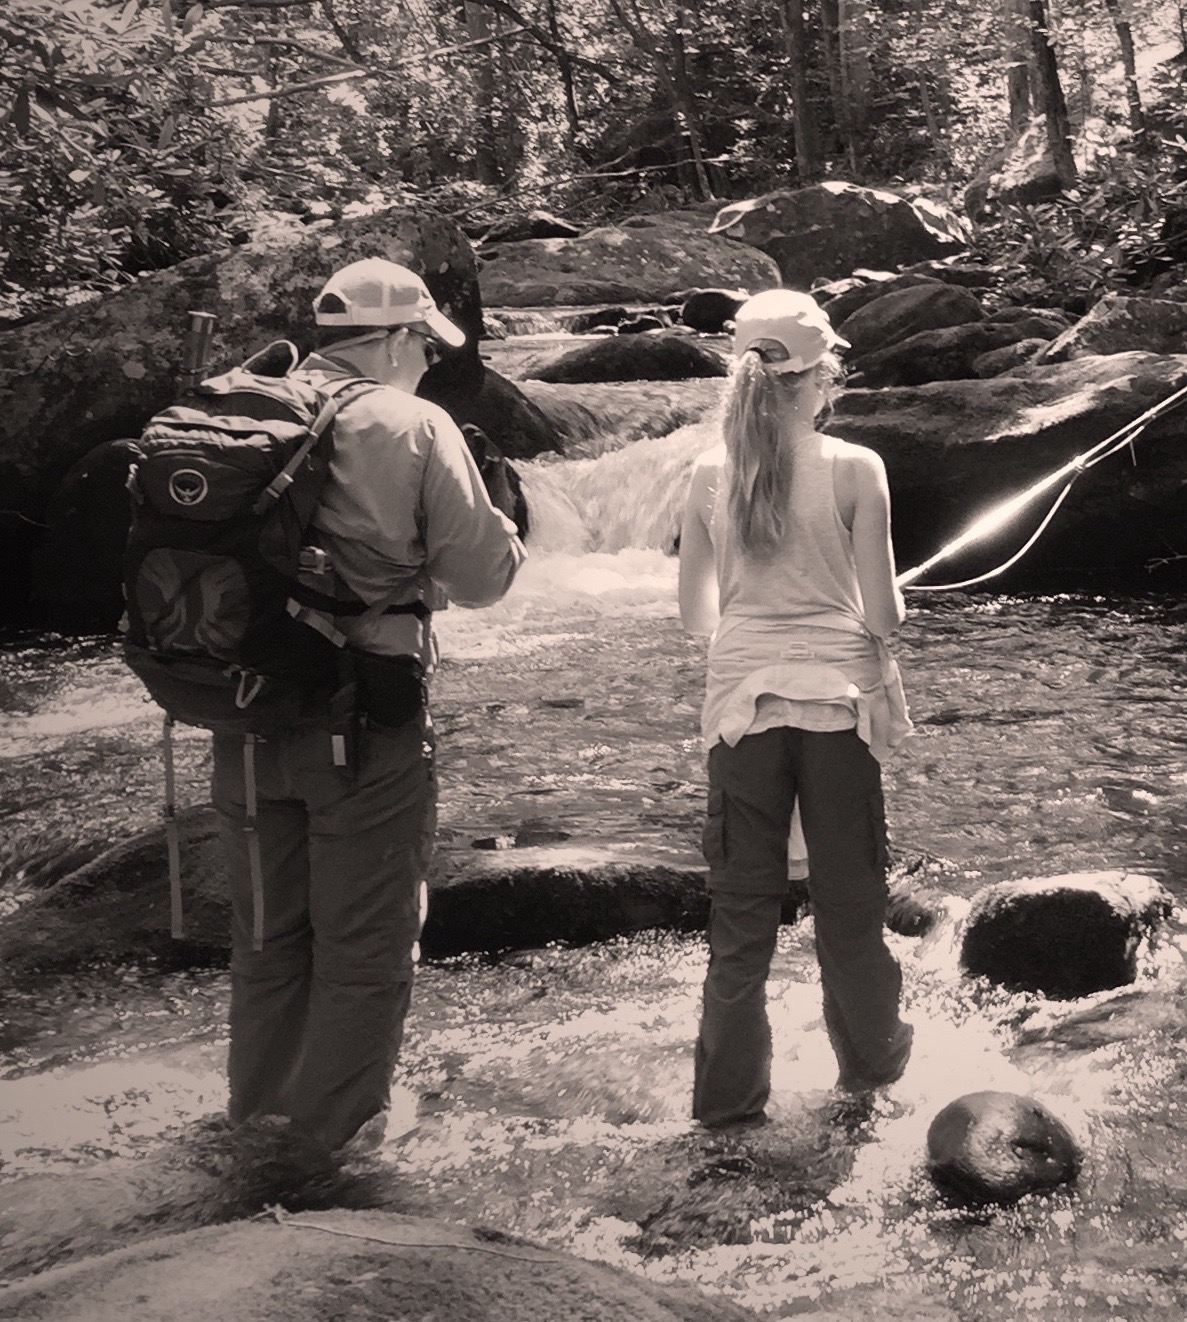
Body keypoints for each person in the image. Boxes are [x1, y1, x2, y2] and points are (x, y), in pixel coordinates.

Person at [211, 257, 526, 1171]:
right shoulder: (410, 423)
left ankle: (254, 1128)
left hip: (238, 714)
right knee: (364, 947)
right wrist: (501, 518)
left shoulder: (239, 405)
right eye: (424, 345)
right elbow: (483, 580)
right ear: (390, 340)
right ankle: (331, 1160)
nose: (428, 362)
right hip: (361, 723)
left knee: (268, 938)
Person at [678, 287, 914, 1129]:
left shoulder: (706, 474)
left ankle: (727, 1109)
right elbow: (882, 616)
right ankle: (872, 1082)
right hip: (838, 708)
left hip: (740, 707)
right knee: (848, 910)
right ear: (823, 375)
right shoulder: (857, 468)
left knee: (740, 921)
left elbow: (696, 617)